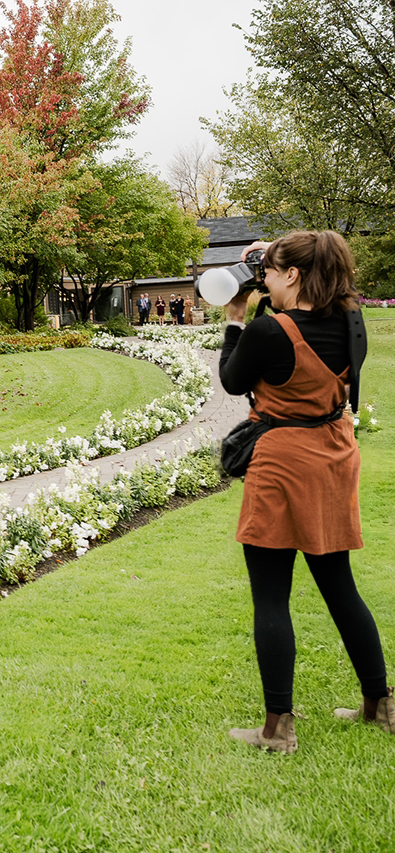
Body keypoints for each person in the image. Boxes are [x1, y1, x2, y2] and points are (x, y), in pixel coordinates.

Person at [220, 230, 391, 753]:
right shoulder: (350, 319)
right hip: (334, 455)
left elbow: (231, 380)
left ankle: (277, 729)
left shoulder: (270, 331)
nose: (264, 282)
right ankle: (381, 705)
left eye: (269, 272)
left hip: (284, 462)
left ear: (292, 275)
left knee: (271, 594)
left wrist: (233, 317)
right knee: (340, 586)